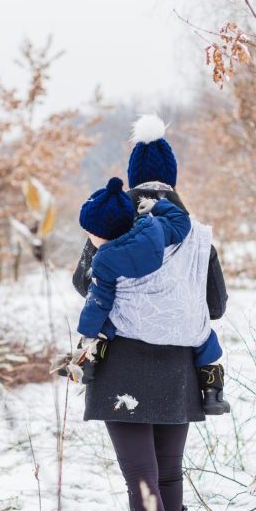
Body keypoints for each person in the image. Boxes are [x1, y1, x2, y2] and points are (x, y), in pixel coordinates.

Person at [71, 114, 228, 511]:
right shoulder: (198, 234)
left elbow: (84, 282)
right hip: (179, 368)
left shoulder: (118, 223)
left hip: (123, 369)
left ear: (134, 178)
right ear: (174, 179)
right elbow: (217, 305)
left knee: (140, 476)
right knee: (167, 472)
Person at [74, 176, 229, 415]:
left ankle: (87, 361)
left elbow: (92, 295)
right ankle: (212, 389)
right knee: (204, 335)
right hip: (181, 354)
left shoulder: (109, 249)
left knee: (103, 323)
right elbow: (216, 309)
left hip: (125, 358)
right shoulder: (172, 232)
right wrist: (158, 206)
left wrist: (88, 333)